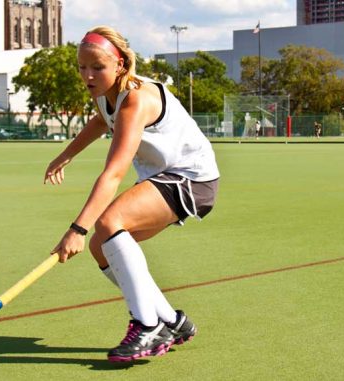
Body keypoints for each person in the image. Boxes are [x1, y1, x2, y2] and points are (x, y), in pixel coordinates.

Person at [44, 26, 220, 362]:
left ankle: (147, 323)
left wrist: (77, 229)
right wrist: (66, 154)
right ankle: (171, 320)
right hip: (164, 177)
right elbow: (100, 121)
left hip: (192, 179)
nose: (88, 75)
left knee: (108, 223)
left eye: (97, 67)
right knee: (101, 247)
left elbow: (113, 173)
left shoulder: (136, 99)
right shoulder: (104, 93)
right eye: (82, 67)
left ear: (121, 64)